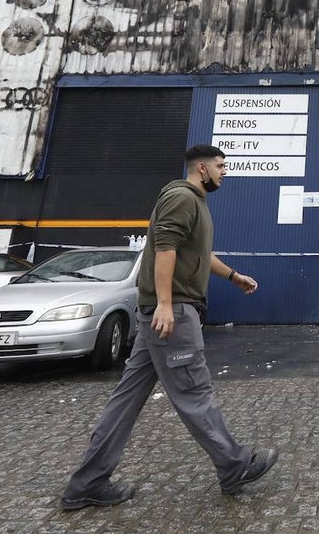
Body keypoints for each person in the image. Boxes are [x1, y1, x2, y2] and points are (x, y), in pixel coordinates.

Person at [60, 144, 279, 510]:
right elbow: (165, 248)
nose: (226, 172)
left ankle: (87, 483)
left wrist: (234, 276)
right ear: (203, 170)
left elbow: (199, 254)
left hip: (162, 313)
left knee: (125, 400)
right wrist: (164, 303)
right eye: (221, 166)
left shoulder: (196, 203)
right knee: (194, 392)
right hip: (172, 313)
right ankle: (234, 464)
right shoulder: (182, 197)